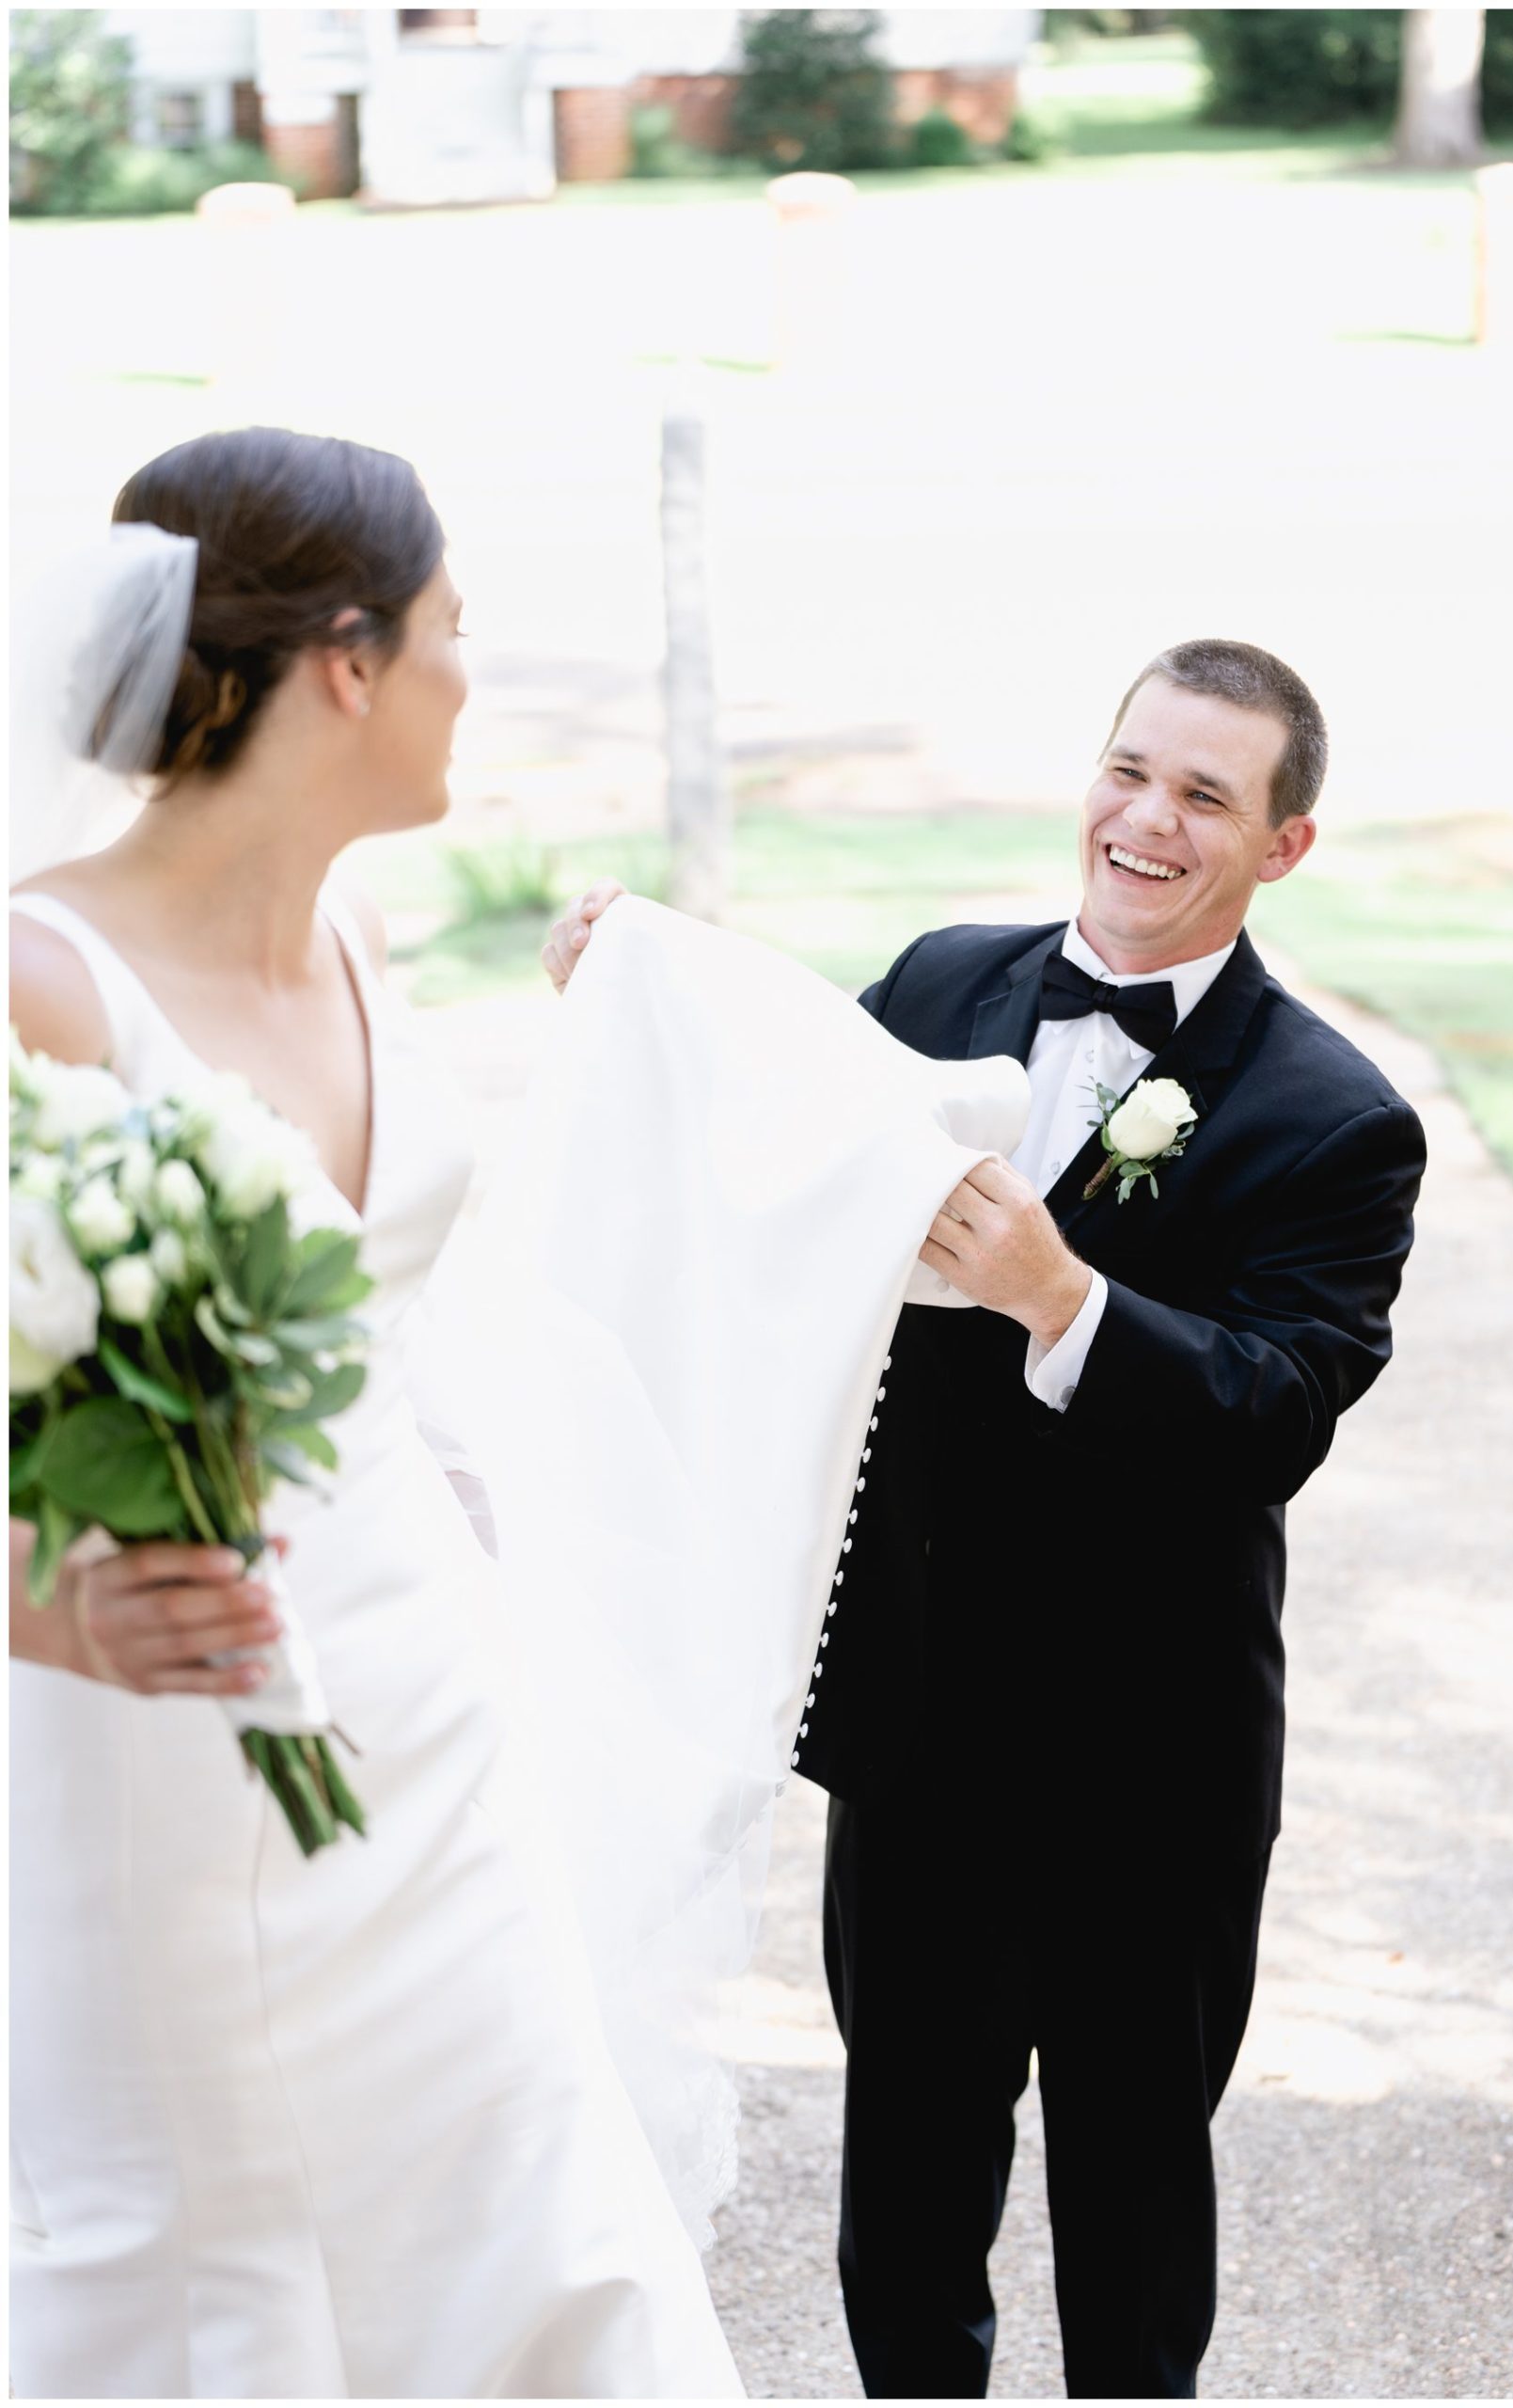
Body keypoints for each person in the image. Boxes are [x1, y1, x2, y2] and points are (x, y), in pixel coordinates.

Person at [544, 639, 1427, 2400]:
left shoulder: (1338, 1120)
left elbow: (1273, 1411)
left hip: (1148, 1770)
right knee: (904, 2206)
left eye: (1202, 796)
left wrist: (1062, 1299)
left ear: (1282, 846)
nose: (1145, 821)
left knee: (1131, 2215)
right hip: (917, 1731)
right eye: (1128, 769)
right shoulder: (942, 981)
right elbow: (776, 1168)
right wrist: (636, 997)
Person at [8, 428, 743, 2399]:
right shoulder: (38, 978)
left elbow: (383, 1314)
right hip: (167, 1730)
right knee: (217, 2246)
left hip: (430, 1709)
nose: (464, 680)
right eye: (449, 633)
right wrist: (36, 1603)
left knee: (534, 2209)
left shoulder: (359, 937)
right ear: (342, 660)